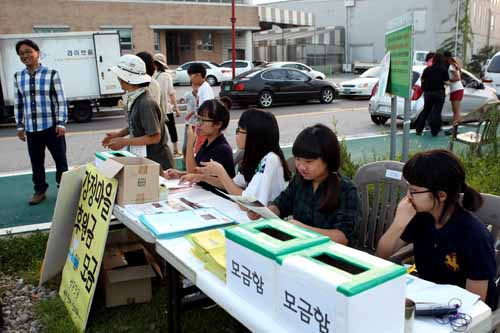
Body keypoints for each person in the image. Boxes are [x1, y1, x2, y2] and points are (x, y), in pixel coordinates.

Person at [376, 149, 496, 308]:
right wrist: (398, 223)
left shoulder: (474, 236)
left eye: (414, 191)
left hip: (459, 311)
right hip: (426, 299)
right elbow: (381, 254)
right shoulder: (421, 216)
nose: (408, 196)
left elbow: (475, 302)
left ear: (441, 195)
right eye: (408, 188)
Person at [248, 124, 360, 246]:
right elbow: (281, 205)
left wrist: (303, 229)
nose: (301, 167)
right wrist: (262, 212)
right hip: (299, 249)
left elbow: (342, 237)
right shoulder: (299, 181)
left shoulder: (346, 189)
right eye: (297, 159)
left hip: (332, 256)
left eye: (308, 161)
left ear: (328, 159)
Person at [187, 109, 291, 205]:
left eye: (239, 130)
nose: (236, 135)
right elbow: (232, 184)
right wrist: (203, 177)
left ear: (252, 135)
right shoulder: (253, 157)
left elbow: (250, 203)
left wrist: (220, 172)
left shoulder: (270, 159)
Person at [13, 39, 69, 205]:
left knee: (61, 160)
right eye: (21, 53)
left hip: (52, 127)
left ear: (37, 52)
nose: (25, 55)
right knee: (36, 162)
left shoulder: (51, 74)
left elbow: (61, 100)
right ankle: (40, 190)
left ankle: (64, 188)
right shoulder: (18, 77)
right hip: (31, 128)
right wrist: (20, 125)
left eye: (28, 51)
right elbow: (19, 102)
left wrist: (61, 122)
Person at [102, 54, 174, 170]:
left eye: (119, 76)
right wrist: (118, 134)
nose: (118, 79)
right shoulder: (136, 98)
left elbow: (154, 137)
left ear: (126, 78)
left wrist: (124, 142)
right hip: (145, 160)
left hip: (157, 162)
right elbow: (137, 124)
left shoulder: (145, 103)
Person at [164, 98, 234, 183]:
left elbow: (194, 174)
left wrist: (190, 144)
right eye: (198, 119)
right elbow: (198, 172)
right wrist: (180, 174)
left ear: (218, 124)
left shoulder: (222, 149)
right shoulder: (208, 143)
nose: (199, 124)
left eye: (203, 120)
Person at [415, 53, 450, 136]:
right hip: (439, 92)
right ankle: (434, 131)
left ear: (434, 60)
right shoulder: (443, 70)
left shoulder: (427, 69)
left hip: (428, 93)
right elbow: (447, 82)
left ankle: (419, 130)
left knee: (426, 111)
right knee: (436, 112)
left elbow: (422, 79)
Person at [153, 53, 181, 156]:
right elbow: (171, 93)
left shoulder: (151, 76)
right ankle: (175, 149)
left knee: (158, 131)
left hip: (155, 109)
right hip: (166, 109)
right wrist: (177, 108)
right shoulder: (167, 76)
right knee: (172, 129)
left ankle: (158, 150)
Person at [187, 63, 214, 153]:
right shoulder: (202, 88)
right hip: (201, 124)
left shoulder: (205, 88)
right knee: (198, 148)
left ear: (198, 75)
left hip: (204, 125)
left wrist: (201, 122)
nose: (190, 79)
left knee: (199, 149)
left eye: (191, 76)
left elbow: (207, 107)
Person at [444, 50, 465, 125]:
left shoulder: (451, 66)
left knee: (456, 111)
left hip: (457, 89)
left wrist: (447, 81)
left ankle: (455, 128)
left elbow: (458, 78)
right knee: (456, 110)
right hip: (455, 90)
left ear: (446, 58)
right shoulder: (454, 65)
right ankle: (455, 127)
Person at [181, 86, 199, 157]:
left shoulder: (201, 95)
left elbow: (199, 109)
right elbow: (182, 100)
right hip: (189, 124)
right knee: (186, 145)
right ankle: (185, 161)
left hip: (198, 124)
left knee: (196, 145)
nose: (196, 87)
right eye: (194, 85)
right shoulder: (188, 95)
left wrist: (191, 113)